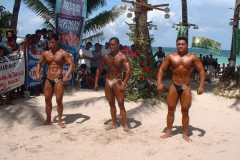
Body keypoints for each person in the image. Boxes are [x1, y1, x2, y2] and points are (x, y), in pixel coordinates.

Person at [157, 37, 206, 142]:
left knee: (185, 110)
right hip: (174, 85)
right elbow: (162, 69)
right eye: (179, 44)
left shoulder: (192, 58)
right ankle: (169, 132)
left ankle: (185, 134)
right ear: (176, 45)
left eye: (183, 44)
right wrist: (159, 83)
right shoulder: (170, 57)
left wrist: (201, 86)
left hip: (186, 86)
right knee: (170, 109)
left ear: (187, 45)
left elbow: (201, 70)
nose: (181, 46)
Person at [94, 37, 132, 133]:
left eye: (113, 45)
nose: (111, 46)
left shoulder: (122, 57)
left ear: (118, 45)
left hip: (118, 81)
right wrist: (96, 82)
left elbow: (129, 70)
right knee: (111, 104)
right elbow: (99, 69)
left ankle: (125, 125)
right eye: (110, 45)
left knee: (121, 104)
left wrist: (124, 83)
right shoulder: (105, 56)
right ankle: (114, 124)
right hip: (108, 81)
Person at [36, 34, 74, 128]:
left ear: (57, 41)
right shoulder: (45, 53)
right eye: (49, 42)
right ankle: (48, 120)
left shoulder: (63, 53)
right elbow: (39, 63)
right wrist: (37, 73)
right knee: (47, 100)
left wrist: (67, 75)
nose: (50, 44)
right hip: (48, 79)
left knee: (59, 100)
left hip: (58, 79)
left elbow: (71, 64)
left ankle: (60, 121)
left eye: (52, 42)